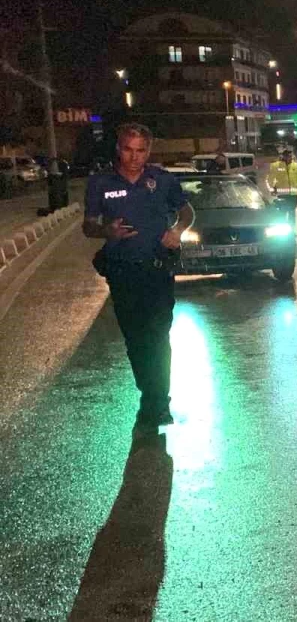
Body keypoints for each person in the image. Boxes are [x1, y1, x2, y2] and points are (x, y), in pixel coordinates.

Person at [83, 123, 194, 431]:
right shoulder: (100, 183)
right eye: (128, 150)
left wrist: (177, 231)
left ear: (149, 151)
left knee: (159, 336)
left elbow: (187, 213)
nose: (134, 157)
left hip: (157, 272)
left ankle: (159, 401)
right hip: (122, 274)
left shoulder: (162, 180)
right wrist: (107, 231)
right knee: (136, 339)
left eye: (140, 150)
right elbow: (88, 225)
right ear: (119, 149)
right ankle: (149, 391)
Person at [265, 148, 297, 223]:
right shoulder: (276, 166)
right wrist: (271, 190)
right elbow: (269, 180)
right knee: (282, 214)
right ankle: (282, 230)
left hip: (293, 195)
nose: (290, 157)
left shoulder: (295, 166)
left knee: (292, 214)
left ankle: (292, 230)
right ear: (283, 156)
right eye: (288, 156)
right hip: (282, 195)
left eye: (291, 156)